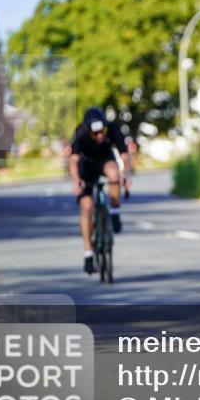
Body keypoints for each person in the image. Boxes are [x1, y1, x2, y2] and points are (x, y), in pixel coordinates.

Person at [68, 107, 130, 274]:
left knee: (114, 174)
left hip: (105, 161)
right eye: (95, 133)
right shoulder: (80, 132)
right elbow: (73, 160)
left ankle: (115, 211)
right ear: (88, 130)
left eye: (102, 131)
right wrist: (76, 181)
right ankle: (88, 254)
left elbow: (124, 155)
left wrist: (126, 175)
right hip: (86, 167)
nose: (100, 136)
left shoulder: (114, 129)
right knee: (87, 207)